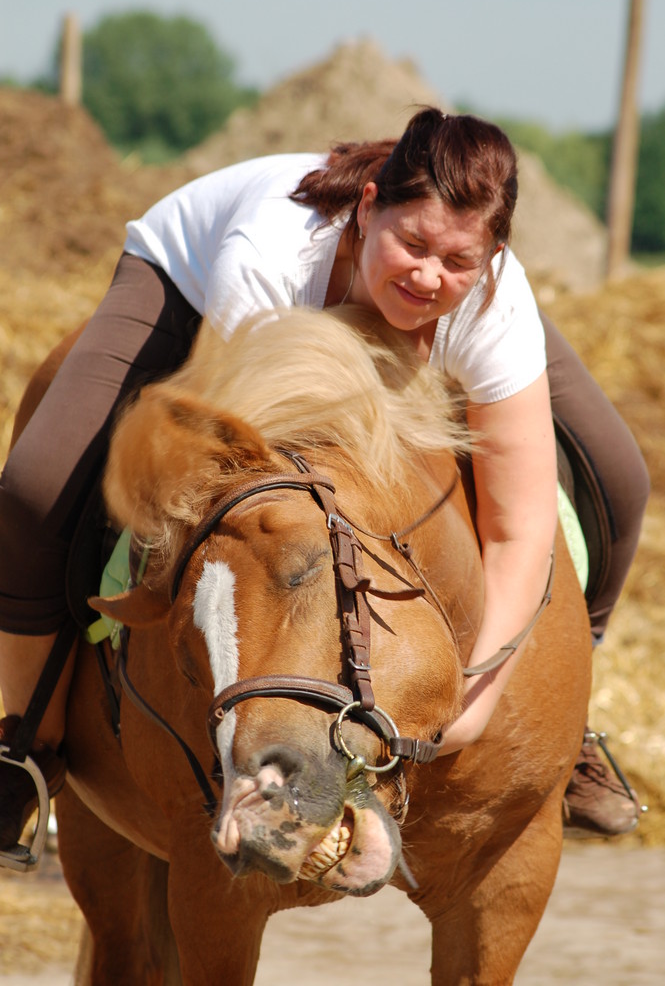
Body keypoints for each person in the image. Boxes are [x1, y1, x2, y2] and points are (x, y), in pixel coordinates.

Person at [0, 108, 649, 855]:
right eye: (411, 244)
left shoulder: (487, 304)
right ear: (369, 209)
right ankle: (28, 743)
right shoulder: (267, 258)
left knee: (620, 479)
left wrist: (474, 701)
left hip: (408, 303)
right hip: (184, 279)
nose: (427, 275)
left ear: (492, 257)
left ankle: (575, 732)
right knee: (36, 486)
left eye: (457, 260)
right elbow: (240, 478)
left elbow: (518, 526)